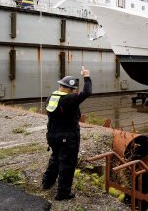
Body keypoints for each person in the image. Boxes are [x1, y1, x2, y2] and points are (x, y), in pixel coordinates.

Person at [41, 66, 92, 200]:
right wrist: (86, 76)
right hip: (67, 137)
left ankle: (46, 182)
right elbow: (87, 92)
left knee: (55, 158)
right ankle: (63, 193)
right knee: (67, 163)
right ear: (71, 89)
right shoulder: (69, 99)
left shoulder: (51, 97)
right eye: (74, 89)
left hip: (52, 135)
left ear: (60, 86)